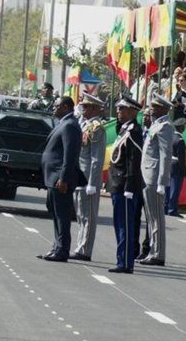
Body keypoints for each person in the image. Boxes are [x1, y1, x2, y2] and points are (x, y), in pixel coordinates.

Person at [37, 96, 86, 262]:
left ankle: (62, 250)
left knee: (62, 216)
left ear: (65, 107)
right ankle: (56, 247)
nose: (53, 108)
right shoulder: (64, 123)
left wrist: (64, 178)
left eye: (56, 106)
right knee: (56, 214)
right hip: (53, 177)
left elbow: (69, 155)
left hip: (60, 178)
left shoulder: (70, 125)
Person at [106, 96, 144, 274]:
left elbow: (133, 162)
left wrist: (129, 187)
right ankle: (122, 259)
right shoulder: (124, 129)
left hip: (125, 186)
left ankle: (126, 262)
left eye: (121, 109)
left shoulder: (134, 131)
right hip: (117, 183)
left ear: (132, 111)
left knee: (125, 226)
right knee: (119, 224)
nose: (118, 112)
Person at [138, 93, 174, 267]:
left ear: (163, 109)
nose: (151, 109)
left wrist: (162, 182)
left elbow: (165, 155)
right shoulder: (155, 125)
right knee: (151, 218)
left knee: (156, 217)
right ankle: (153, 251)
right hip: (147, 176)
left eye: (154, 106)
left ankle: (158, 254)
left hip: (154, 178)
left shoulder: (165, 126)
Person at [70, 93, 106, 262]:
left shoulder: (96, 127)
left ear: (93, 109)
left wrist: (92, 182)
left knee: (88, 216)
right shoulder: (83, 124)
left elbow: (96, 158)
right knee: (80, 215)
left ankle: (85, 249)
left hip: (88, 178)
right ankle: (80, 245)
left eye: (85, 106)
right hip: (79, 175)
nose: (82, 108)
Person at [134, 108, 152, 260]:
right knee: (134, 216)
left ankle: (147, 249)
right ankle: (133, 248)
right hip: (136, 181)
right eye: (144, 115)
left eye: (148, 115)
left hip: (149, 181)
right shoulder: (139, 133)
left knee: (149, 218)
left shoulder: (157, 133)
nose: (145, 118)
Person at [165, 118, 186, 218]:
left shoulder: (171, 137)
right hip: (177, 167)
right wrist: (184, 171)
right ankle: (172, 209)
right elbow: (182, 158)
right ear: (181, 127)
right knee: (175, 189)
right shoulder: (180, 140)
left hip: (170, 165)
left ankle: (166, 207)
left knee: (169, 188)